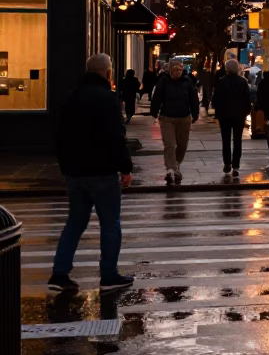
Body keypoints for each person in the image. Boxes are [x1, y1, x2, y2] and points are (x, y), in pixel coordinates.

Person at [49, 54, 135, 293]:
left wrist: (65, 165)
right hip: (102, 171)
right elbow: (115, 137)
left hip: (75, 172)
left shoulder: (71, 97)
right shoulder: (108, 99)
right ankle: (108, 274)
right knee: (110, 224)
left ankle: (60, 272)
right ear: (108, 73)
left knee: (75, 223)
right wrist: (126, 167)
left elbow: (59, 135)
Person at [150, 59, 199, 184]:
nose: (177, 72)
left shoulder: (188, 82)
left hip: (184, 117)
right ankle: (171, 169)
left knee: (182, 145)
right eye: (175, 70)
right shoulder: (164, 81)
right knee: (170, 144)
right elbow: (157, 97)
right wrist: (154, 112)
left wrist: (195, 113)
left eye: (179, 70)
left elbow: (193, 99)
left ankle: (176, 164)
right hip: (167, 117)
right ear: (170, 70)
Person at [213, 59, 251, 177]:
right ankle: (236, 166)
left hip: (224, 115)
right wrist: (246, 112)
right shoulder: (243, 82)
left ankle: (227, 163)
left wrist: (218, 111)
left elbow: (216, 100)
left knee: (226, 140)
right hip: (239, 115)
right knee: (237, 140)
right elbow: (247, 99)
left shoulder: (221, 82)